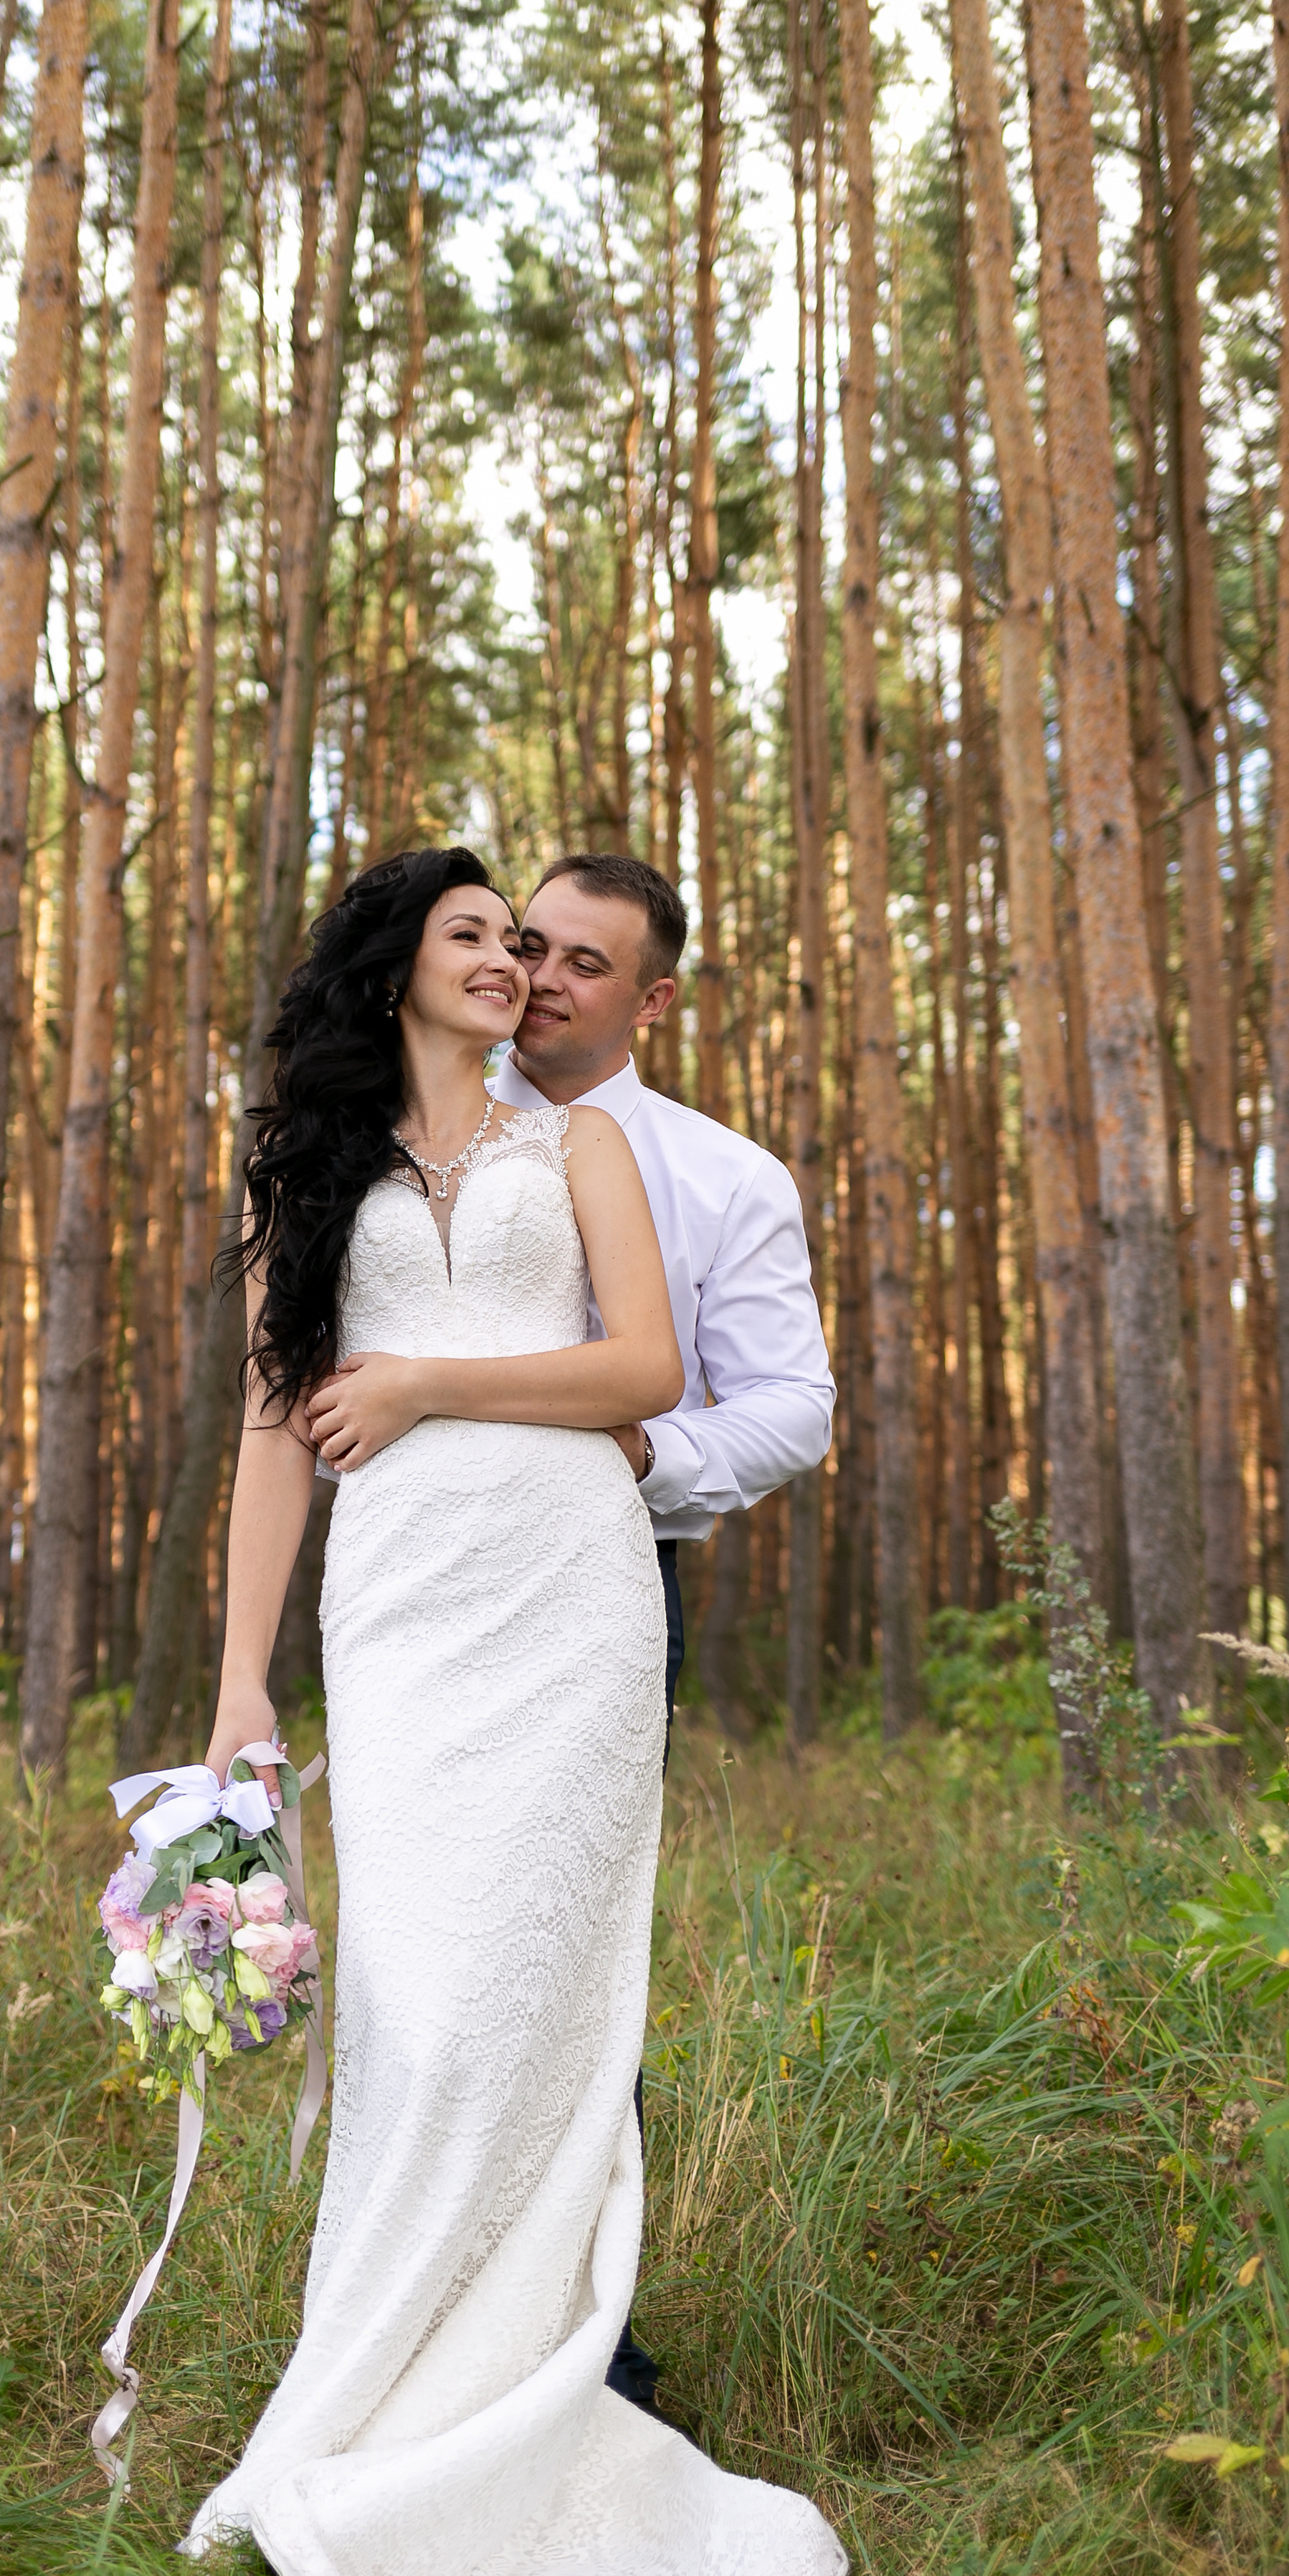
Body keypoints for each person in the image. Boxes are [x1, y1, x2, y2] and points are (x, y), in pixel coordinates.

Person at [184, 846, 847, 2576]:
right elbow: (270, 1431)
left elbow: (648, 1369)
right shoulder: (314, 1166)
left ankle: (545, 2383)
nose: (519, 972)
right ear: (397, 964)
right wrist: (242, 1677)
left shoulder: (606, 1153)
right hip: (399, 1615)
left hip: (569, 1600)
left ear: (634, 991)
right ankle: (382, 2399)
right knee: (419, 2006)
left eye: (548, 952)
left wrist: (421, 1387)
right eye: (484, 939)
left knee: (534, 2010)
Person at [492, 849, 836, 2409]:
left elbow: (792, 1409)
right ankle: (414, 2319)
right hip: (415, 1583)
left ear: (650, 998)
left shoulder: (721, 1177)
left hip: (611, 1587)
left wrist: (644, 1453)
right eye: (526, 944)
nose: (541, 978)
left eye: (581, 962)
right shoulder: (406, 1125)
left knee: (568, 1958)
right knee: (435, 1957)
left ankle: (587, 2352)